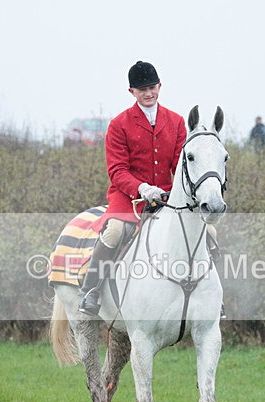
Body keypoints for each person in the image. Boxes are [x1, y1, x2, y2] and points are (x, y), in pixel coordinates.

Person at [78, 61, 187, 315]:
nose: (148, 93)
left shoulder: (177, 121)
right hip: (128, 200)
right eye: (141, 89)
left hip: (166, 199)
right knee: (115, 232)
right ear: (132, 92)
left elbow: (179, 165)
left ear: (160, 86)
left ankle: (210, 295)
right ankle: (90, 290)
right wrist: (142, 189)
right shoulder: (119, 124)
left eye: (151, 87)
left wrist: (174, 192)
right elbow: (117, 171)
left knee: (207, 231)